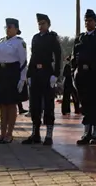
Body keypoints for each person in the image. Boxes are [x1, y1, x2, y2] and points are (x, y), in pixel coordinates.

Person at [72, 9, 96, 145]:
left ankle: (95, 133)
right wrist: (73, 73)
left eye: (90, 21)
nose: (88, 23)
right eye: (86, 21)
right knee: (86, 105)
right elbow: (74, 58)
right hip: (83, 76)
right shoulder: (80, 38)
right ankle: (86, 132)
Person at [22, 13, 62, 146]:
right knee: (35, 105)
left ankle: (49, 135)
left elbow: (58, 56)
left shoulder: (52, 38)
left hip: (47, 73)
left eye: (43, 23)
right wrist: (29, 74)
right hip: (36, 74)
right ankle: (35, 133)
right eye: (39, 24)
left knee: (49, 105)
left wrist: (55, 75)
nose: (41, 26)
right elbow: (33, 57)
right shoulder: (35, 38)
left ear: (48, 24)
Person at [0, 18, 27, 144]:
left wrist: (22, 79)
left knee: (11, 104)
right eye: (6, 27)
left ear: (16, 29)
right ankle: (2, 133)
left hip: (13, 73)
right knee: (2, 104)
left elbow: (23, 62)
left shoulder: (19, 42)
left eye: (10, 27)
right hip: (2, 73)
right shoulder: (1, 41)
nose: (7, 29)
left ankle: (9, 134)